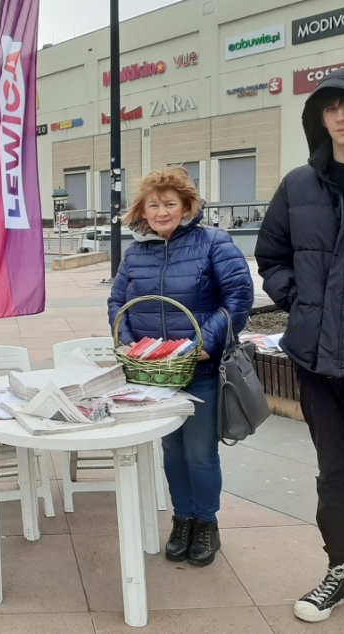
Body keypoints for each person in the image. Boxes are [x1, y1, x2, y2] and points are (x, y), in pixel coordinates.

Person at [256, 66, 344, 633]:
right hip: (315, 359)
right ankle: (339, 572)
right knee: (331, 475)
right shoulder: (298, 184)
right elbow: (272, 255)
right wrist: (301, 302)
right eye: (330, 107)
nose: (340, 116)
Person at [108, 166, 253, 568]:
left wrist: (205, 343)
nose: (162, 212)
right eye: (153, 205)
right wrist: (129, 342)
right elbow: (118, 303)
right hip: (154, 374)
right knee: (171, 451)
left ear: (187, 206)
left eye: (170, 204)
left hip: (199, 371)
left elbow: (239, 296)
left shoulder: (213, 243)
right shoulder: (135, 253)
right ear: (142, 210)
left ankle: (206, 523)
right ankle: (182, 520)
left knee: (200, 454)